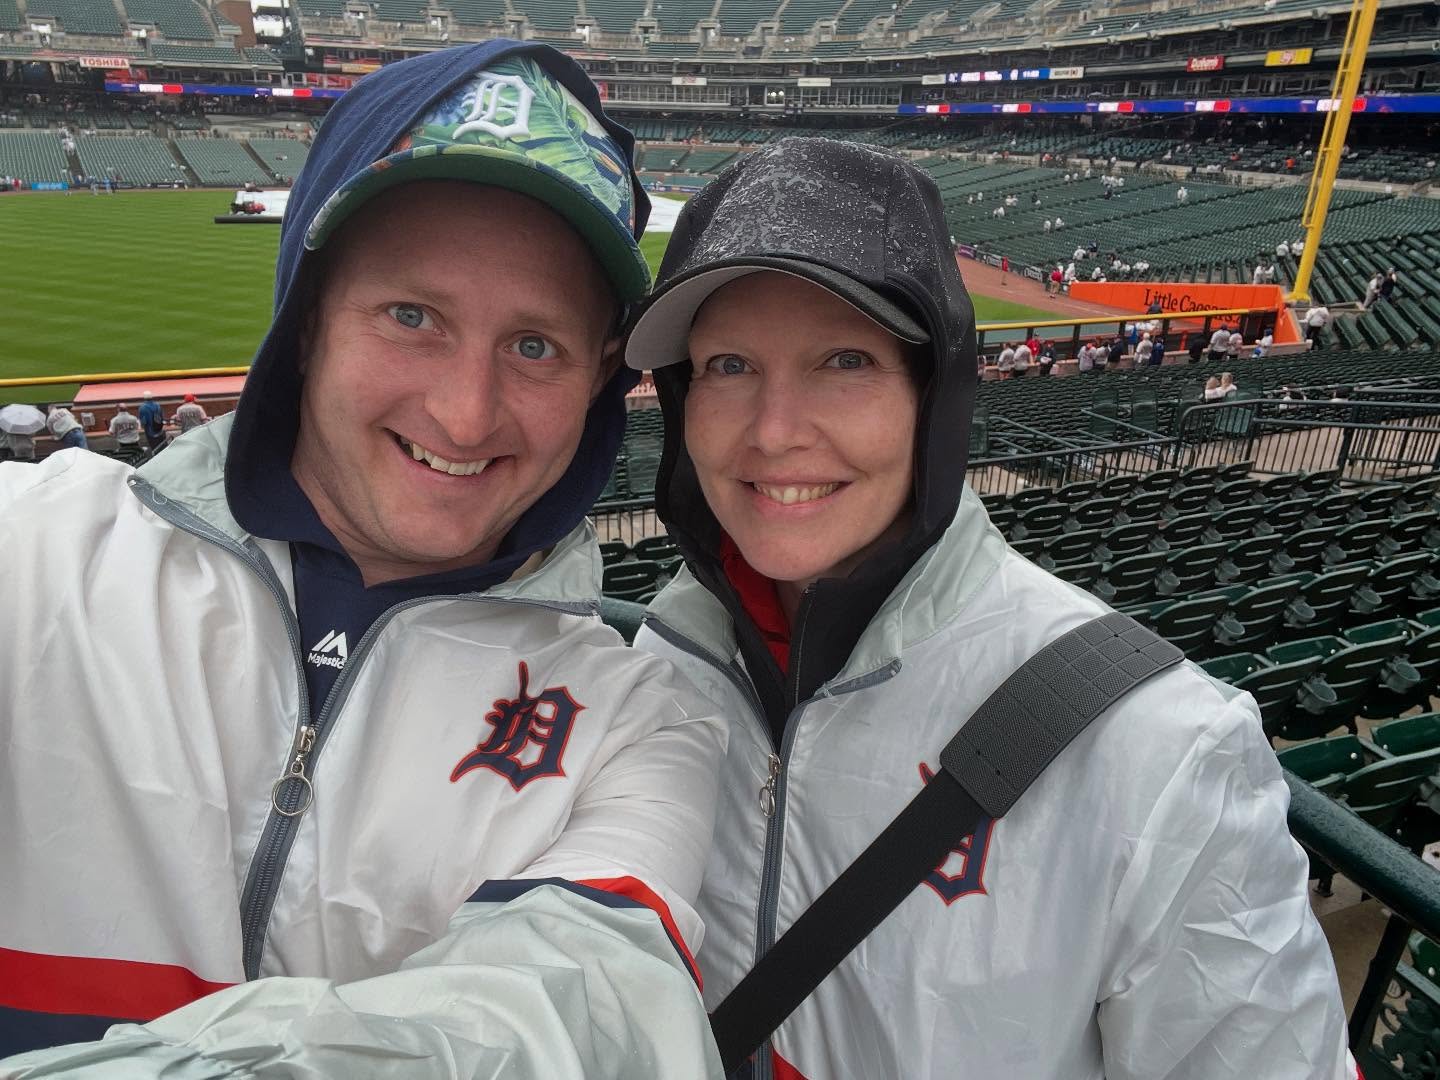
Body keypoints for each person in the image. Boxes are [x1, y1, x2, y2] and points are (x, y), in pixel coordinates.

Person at [0, 43, 726, 1077]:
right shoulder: (32, 551)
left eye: (534, 346)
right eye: (412, 316)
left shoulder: (642, 719)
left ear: (600, 378)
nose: (464, 413)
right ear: (306, 322)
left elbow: (581, 1009)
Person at [622, 136, 1358, 1080]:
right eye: (727, 366)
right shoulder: (660, 659)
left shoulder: (1162, 749)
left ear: (935, 398)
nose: (773, 429)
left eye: (844, 360)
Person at [138, 390, 166, 455]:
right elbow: (162, 417)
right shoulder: (157, 405)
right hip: (160, 431)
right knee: (161, 448)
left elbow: (144, 422)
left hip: (150, 432)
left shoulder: (143, 408)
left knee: (155, 449)